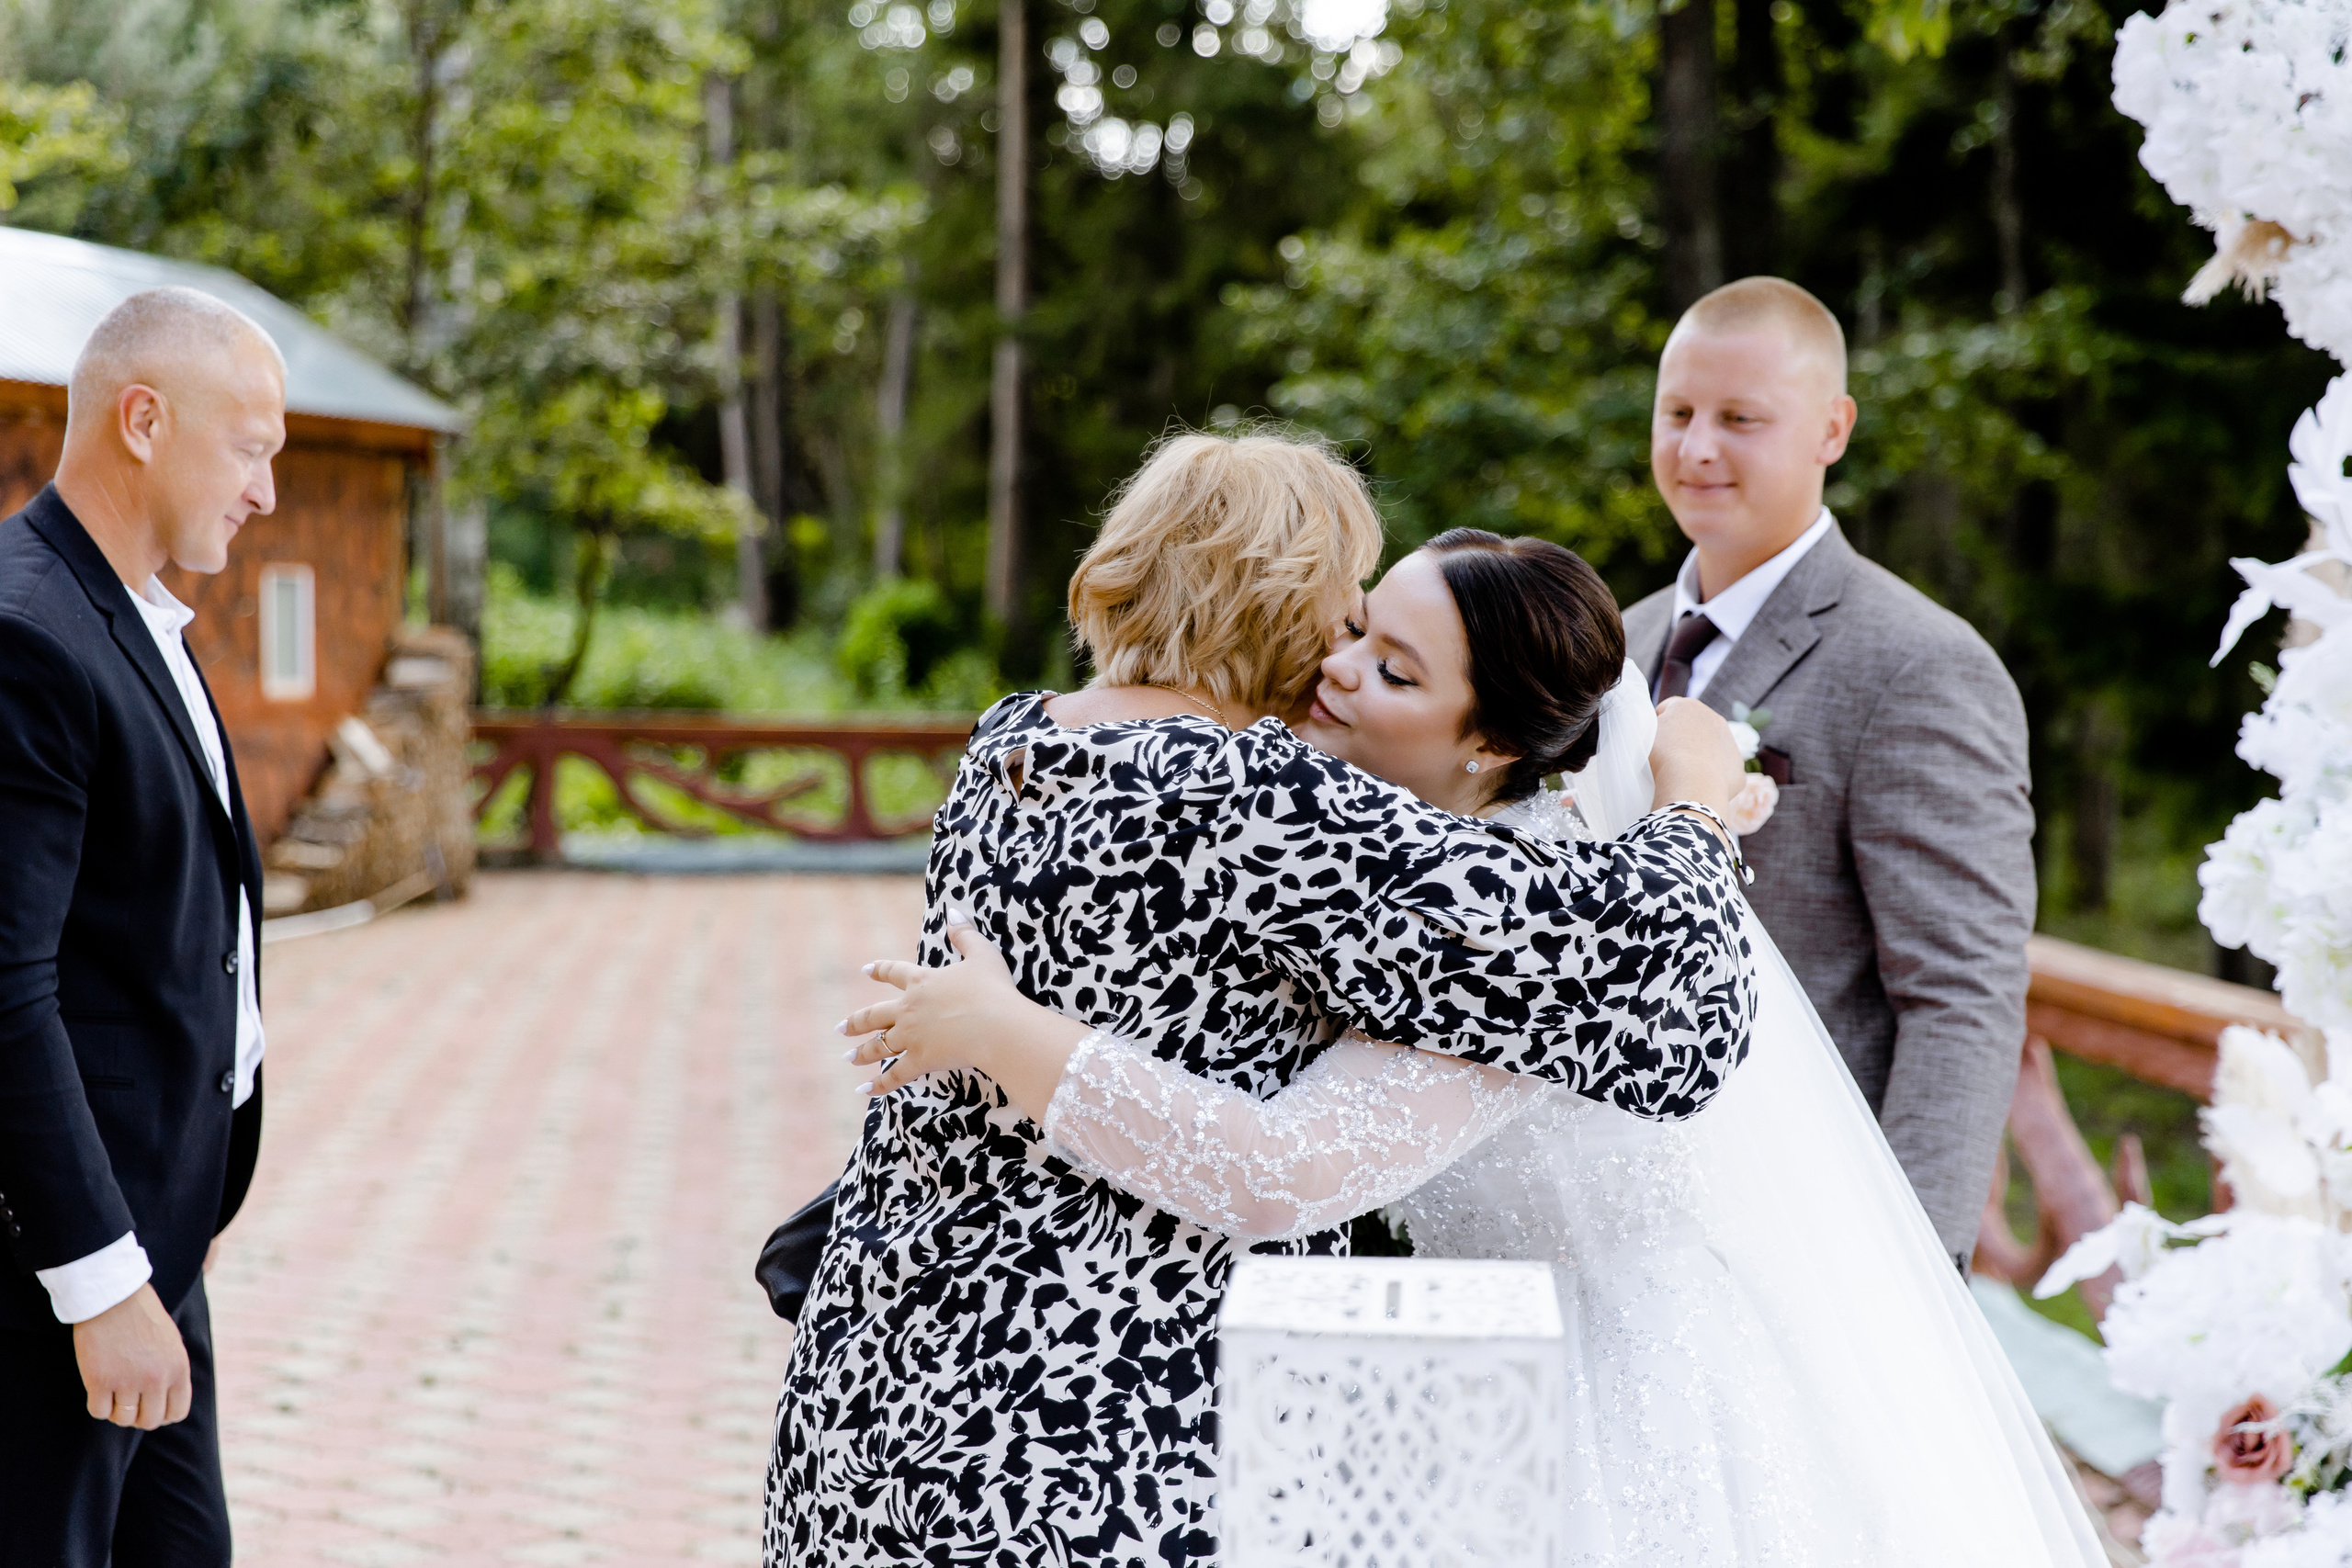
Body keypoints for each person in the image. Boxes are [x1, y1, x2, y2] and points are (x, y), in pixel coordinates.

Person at [842, 530, 2107, 1566]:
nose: (1336, 674)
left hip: (1616, 1403)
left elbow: (1288, 1164)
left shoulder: (1522, 915)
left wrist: (1013, 1037)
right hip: (1458, 1370)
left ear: (1488, 744)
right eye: (1355, 633)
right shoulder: (1351, 859)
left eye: (1395, 673)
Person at [763, 432, 1756, 1568]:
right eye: (1347, 611)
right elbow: (1655, 988)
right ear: (1282, 603)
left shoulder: (1015, 741)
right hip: (1089, 1423)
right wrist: (1696, 808)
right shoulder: (1244, 795)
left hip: (880, 1363)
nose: (1346, 645)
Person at [1625, 276, 2036, 1269]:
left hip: (1799, 1221)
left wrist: (1907, 1275)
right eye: (1676, 413)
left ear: (1831, 429)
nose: (1696, 449)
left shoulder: (1916, 664)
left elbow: (1961, 996)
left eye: (1740, 419)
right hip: (1621, 1206)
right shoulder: (1623, 642)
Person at [0, 287, 283, 1566]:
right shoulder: (28, 633)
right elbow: (4, 990)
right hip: (63, 1271)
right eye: (252, 445)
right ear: (146, 418)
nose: (266, 489)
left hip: (154, 1238)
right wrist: (99, 1281)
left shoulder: (131, 611)